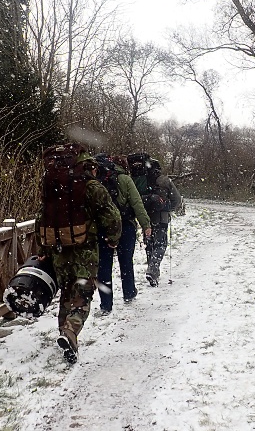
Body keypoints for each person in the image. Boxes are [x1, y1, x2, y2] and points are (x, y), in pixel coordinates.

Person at [35, 145, 121, 364]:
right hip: (85, 247)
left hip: (57, 248)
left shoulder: (51, 184)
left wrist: (43, 248)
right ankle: (70, 332)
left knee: (66, 290)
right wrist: (113, 238)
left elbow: (41, 218)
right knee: (82, 292)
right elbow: (112, 216)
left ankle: (64, 330)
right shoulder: (91, 187)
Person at [94, 154, 152, 314]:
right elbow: (136, 202)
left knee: (104, 266)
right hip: (125, 226)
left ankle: (106, 304)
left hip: (103, 227)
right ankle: (129, 293)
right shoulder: (126, 179)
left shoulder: (97, 179)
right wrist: (145, 224)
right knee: (126, 262)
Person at [129, 155, 182, 287]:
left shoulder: (140, 181)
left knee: (150, 244)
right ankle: (153, 270)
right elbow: (177, 200)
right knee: (161, 244)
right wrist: (168, 207)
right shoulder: (164, 180)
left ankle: (153, 271)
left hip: (146, 218)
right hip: (161, 218)